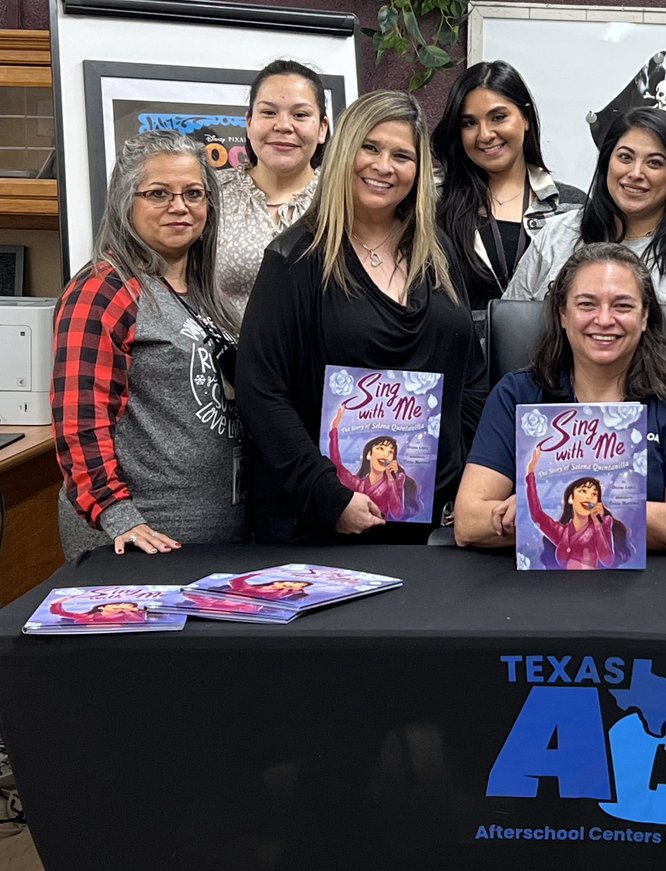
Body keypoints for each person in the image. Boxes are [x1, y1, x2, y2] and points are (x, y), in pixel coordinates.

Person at [236, 90, 487, 544]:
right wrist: (328, 496)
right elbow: (261, 390)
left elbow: (470, 374)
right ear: (344, 150)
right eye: (370, 148)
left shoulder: (440, 253)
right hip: (322, 522)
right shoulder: (297, 258)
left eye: (402, 155)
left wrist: (458, 469)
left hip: (429, 520)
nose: (383, 166)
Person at [52, 130, 246, 562]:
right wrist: (118, 515)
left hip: (216, 536)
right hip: (139, 541)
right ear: (127, 202)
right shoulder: (104, 289)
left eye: (193, 193)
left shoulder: (206, 294)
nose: (180, 207)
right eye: (158, 193)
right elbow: (80, 418)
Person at [456, 242, 666, 554]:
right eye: (586, 305)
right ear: (563, 314)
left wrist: (542, 508)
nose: (604, 320)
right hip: (531, 592)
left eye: (622, 306)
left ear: (645, 316)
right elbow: (468, 523)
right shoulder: (517, 394)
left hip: (652, 590)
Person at [501, 108, 666, 325]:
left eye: (655, 163)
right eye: (625, 157)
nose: (635, 173)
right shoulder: (557, 235)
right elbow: (512, 330)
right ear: (606, 163)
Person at [431, 60, 585, 337]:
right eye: (469, 123)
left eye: (498, 117)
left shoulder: (572, 207)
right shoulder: (433, 203)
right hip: (462, 369)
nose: (485, 134)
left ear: (525, 118)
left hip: (546, 368)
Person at [216, 59, 329, 326]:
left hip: (320, 365)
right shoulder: (209, 195)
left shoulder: (347, 200)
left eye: (300, 115)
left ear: (322, 128)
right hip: (227, 364)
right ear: (249, 122)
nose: (283, 125)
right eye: (268, 113)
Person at [524, 448, 629, 569]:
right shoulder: (561, 532)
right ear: (571, 498)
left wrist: (598, 525)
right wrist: (530, 472)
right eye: (583, 491)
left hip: (592, 584)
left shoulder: (602, 525)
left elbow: (607, 560)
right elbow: (537, 515)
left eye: (594, 494)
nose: (589, 496)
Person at [328, 404, 418, 522]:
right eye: (381, 448)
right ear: (369, 455)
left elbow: (397, 514)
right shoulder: (357, 484)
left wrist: (392, 481)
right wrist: (334, 428)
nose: (386, 454)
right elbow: (337, 466)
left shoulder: (396, 481)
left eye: (390, 452)